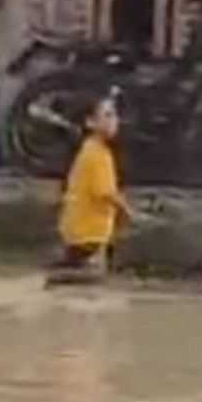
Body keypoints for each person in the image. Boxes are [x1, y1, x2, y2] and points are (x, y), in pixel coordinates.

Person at [51, 92, 135, 280]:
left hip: (76, 230)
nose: (114, 121)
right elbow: (106, 193)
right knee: (94, 279)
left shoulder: (90, 150)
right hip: (89, 233)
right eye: (107, 115)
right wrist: (128, 211)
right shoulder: (98, 155)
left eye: (114, 115)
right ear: (90, 122)